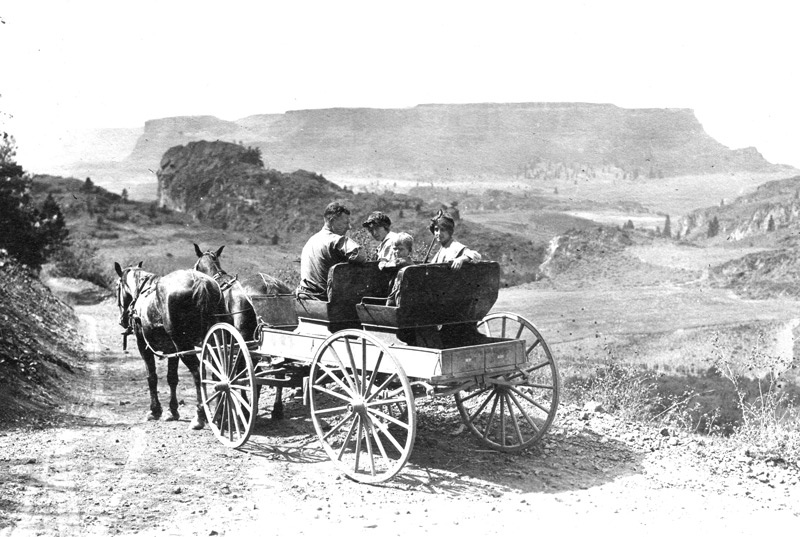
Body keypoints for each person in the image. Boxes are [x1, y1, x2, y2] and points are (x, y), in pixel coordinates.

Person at [296, 201, 366, 300]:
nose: (349, 227)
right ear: (333, 221)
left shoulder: (311, 241)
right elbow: (360, 255)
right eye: (346, 223)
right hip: (326, 300)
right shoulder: (335, 240)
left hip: (306, 297)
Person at [385, 232, 415, 307]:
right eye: (395, 249)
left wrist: (382, 263)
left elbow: (385, 266)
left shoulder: (402, 261)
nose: (397, 252)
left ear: (409, 250)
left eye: (401, 249)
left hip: (400, 296)